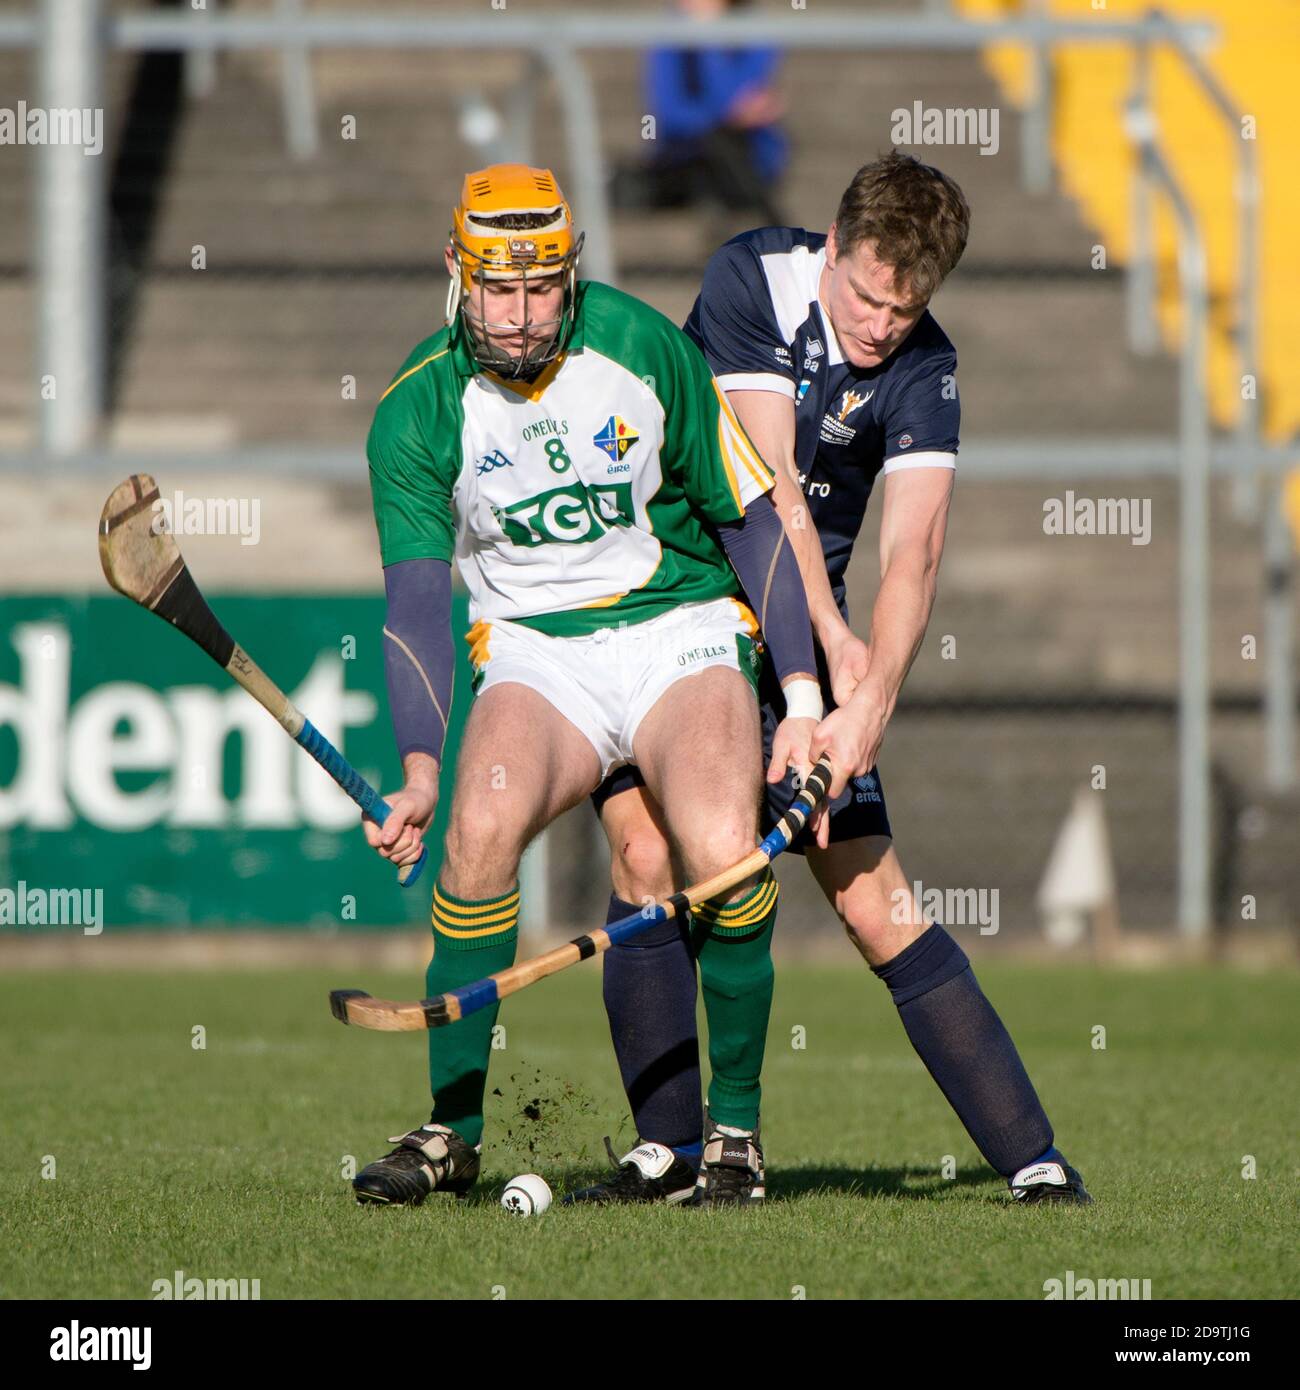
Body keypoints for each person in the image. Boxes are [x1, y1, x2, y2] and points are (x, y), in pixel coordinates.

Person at [577, 153, 1092, 1206]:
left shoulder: (925, 370)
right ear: (833, 245)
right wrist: (820, 670)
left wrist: (868, 708)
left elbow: (913, 554)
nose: (876, 325)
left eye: (904, 310)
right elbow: (768, 498)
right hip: (664, 609)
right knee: (646, 859)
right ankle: (682, 1154)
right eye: (862, 294)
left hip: (808, 652)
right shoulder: (749, 280)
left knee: (872, 899)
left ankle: (1036, 1163)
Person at [351, 163, 823, 1208]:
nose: (518, 319)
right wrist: (421, 767)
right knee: (475, 832)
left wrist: (800, 691)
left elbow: (749, 517)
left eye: (540, 291)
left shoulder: (643, 348)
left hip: (679, 629)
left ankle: (733, 1133)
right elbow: (421, 603)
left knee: (716, 845)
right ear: (455, 276)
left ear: (570, 279)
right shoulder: (416, 410)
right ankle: (451, 1133)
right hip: (533, 648)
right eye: (495, 290)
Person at [612, 0, 787, 222]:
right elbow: (669, 112)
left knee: (726, 145)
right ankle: (771, 222)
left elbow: (739, 98)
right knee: (716, 141)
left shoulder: (755, 32)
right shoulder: (668, 35)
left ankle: (763, 223)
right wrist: (729, 116)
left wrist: (709, 40)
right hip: (688, 155)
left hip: (750, 154)